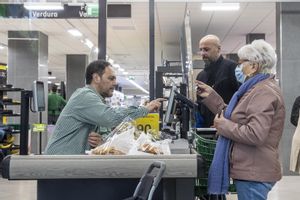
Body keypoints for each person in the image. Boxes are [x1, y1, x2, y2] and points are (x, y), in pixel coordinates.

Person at [196, 39, 285, 200]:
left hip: (255, 171)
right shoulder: (255, 88)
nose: (238, 68)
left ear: (253, 66)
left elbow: (255, 134)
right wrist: (212, 97)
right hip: (252, 168)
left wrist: (223, 126)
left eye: (241, 63)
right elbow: (237, 116)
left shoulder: (263, 92)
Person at [44, 60, 163, 155]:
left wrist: (101, 141)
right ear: (96, 78)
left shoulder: (97, 101)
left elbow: (105, 131)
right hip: (59, 165)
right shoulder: (84, 96)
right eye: (111, 78)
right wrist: (145, 109)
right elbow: (110, 118)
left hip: (72, 165)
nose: (115, 83)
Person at [196, 34, 240, 128]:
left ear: (218, 49)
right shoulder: (201, 76)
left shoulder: (232, 68)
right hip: (207, 130)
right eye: (201, 50)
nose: (203, 53)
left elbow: (241, 99)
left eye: (206, 49)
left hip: (227, 126)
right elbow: (200, 105)